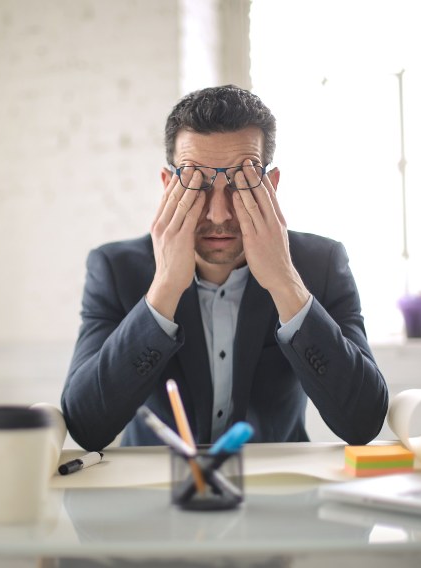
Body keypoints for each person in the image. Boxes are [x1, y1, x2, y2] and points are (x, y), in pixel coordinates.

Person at [61, 85, 388, 451]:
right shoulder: (115, 269)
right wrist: (164, 288)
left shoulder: (321, 263)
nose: (219, 215)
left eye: (241, 183)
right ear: (168, 186)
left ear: (271, 187)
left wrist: (284, 283)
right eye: (196, 183)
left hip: (278, 488)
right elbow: (86, 426)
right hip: (154, 490)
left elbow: (363, 422)